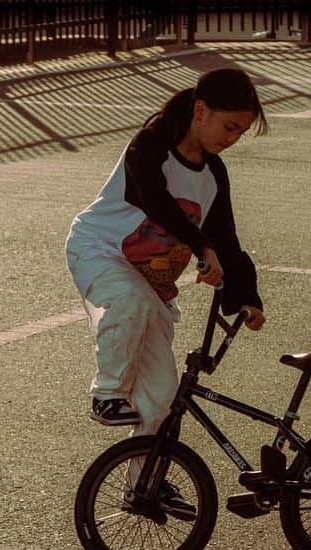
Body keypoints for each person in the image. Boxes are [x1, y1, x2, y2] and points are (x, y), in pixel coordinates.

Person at [65, 67, 268, 445]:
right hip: (100, 250)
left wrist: (245, 297)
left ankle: (144, 486)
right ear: (201, 110)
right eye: (230, 127)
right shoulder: (151, 145)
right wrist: (200, 246)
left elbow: (225, 237)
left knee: (161, 396)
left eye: (241, 131)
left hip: (151, 282)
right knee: (130, 300)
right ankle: (108, 392)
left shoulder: (214, 174)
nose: (234, 138)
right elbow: (154, 199)